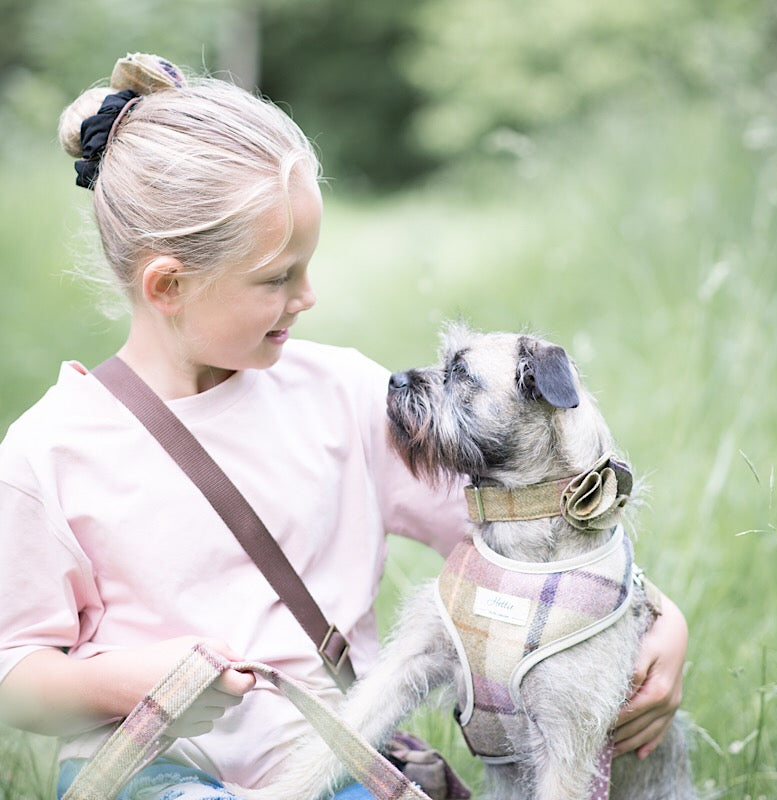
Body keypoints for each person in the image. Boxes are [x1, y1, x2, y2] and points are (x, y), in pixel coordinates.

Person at [0, 53, 688, 800]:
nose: (308, 297)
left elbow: (526, 534)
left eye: (307, 266)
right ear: (169, 284)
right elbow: (16, 677)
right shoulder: (51, 451)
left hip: (332, 760)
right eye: (277, 278)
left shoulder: (344, 396)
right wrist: (130, 680)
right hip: (149, 766)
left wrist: (658, 618)